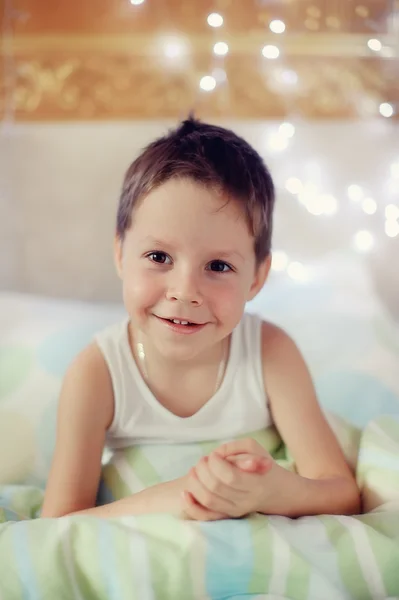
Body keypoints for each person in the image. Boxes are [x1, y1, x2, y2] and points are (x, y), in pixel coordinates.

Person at [42, 117, 360, 521]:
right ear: (121, 255)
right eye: (159, 257)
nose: (185, 290)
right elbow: (59, 522)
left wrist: (272, 490)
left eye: (218, 266)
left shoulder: (269, 353)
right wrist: (173, 498)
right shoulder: (98, 373)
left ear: (257, 278)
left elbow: (340, 493)